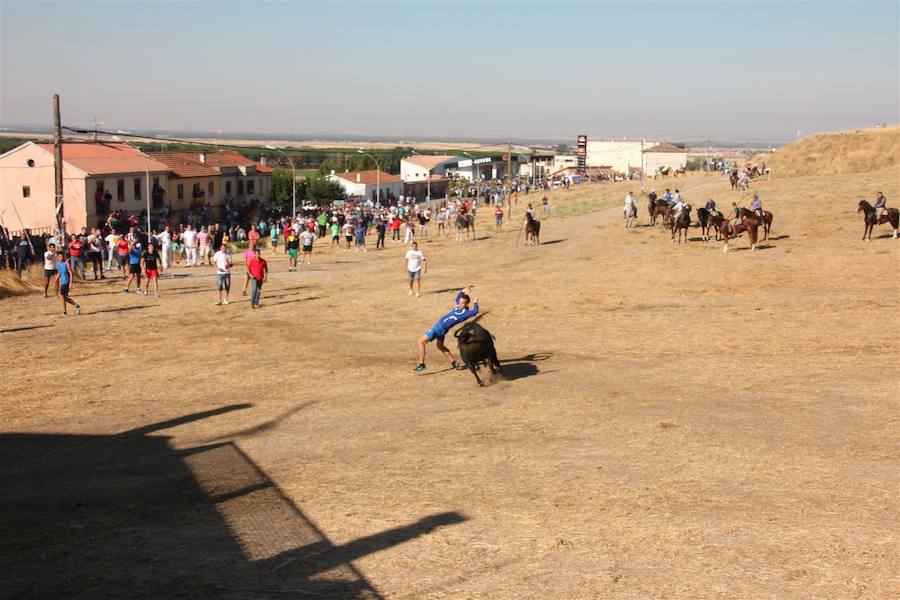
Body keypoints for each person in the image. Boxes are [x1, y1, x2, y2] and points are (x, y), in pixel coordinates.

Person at [413, 287, 479, 373]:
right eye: (459, 302)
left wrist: (475, 303)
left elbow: (475, 312)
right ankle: (454, 362)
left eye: (461, 303)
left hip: (439, 328)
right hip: (442, 329)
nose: (459, 303)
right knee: (440, 346)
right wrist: (463, 291)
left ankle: (421, 364)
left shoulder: (465, 313)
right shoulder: (458, 307)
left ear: (466, 304)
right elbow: (458, 297)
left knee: (421, 342)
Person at [55, 250, 81, 316]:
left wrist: (70, 283)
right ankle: (76, 306)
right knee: (64, 297)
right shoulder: (58, 264)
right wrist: (56, 281)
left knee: (62, 296)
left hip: (66, 282)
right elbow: (59, 273)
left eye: (62, 256)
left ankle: (65, 312)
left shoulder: (66, 263)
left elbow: (71, 273)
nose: (61, 257)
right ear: (57, 257)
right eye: (60, 256)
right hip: (62, 282)